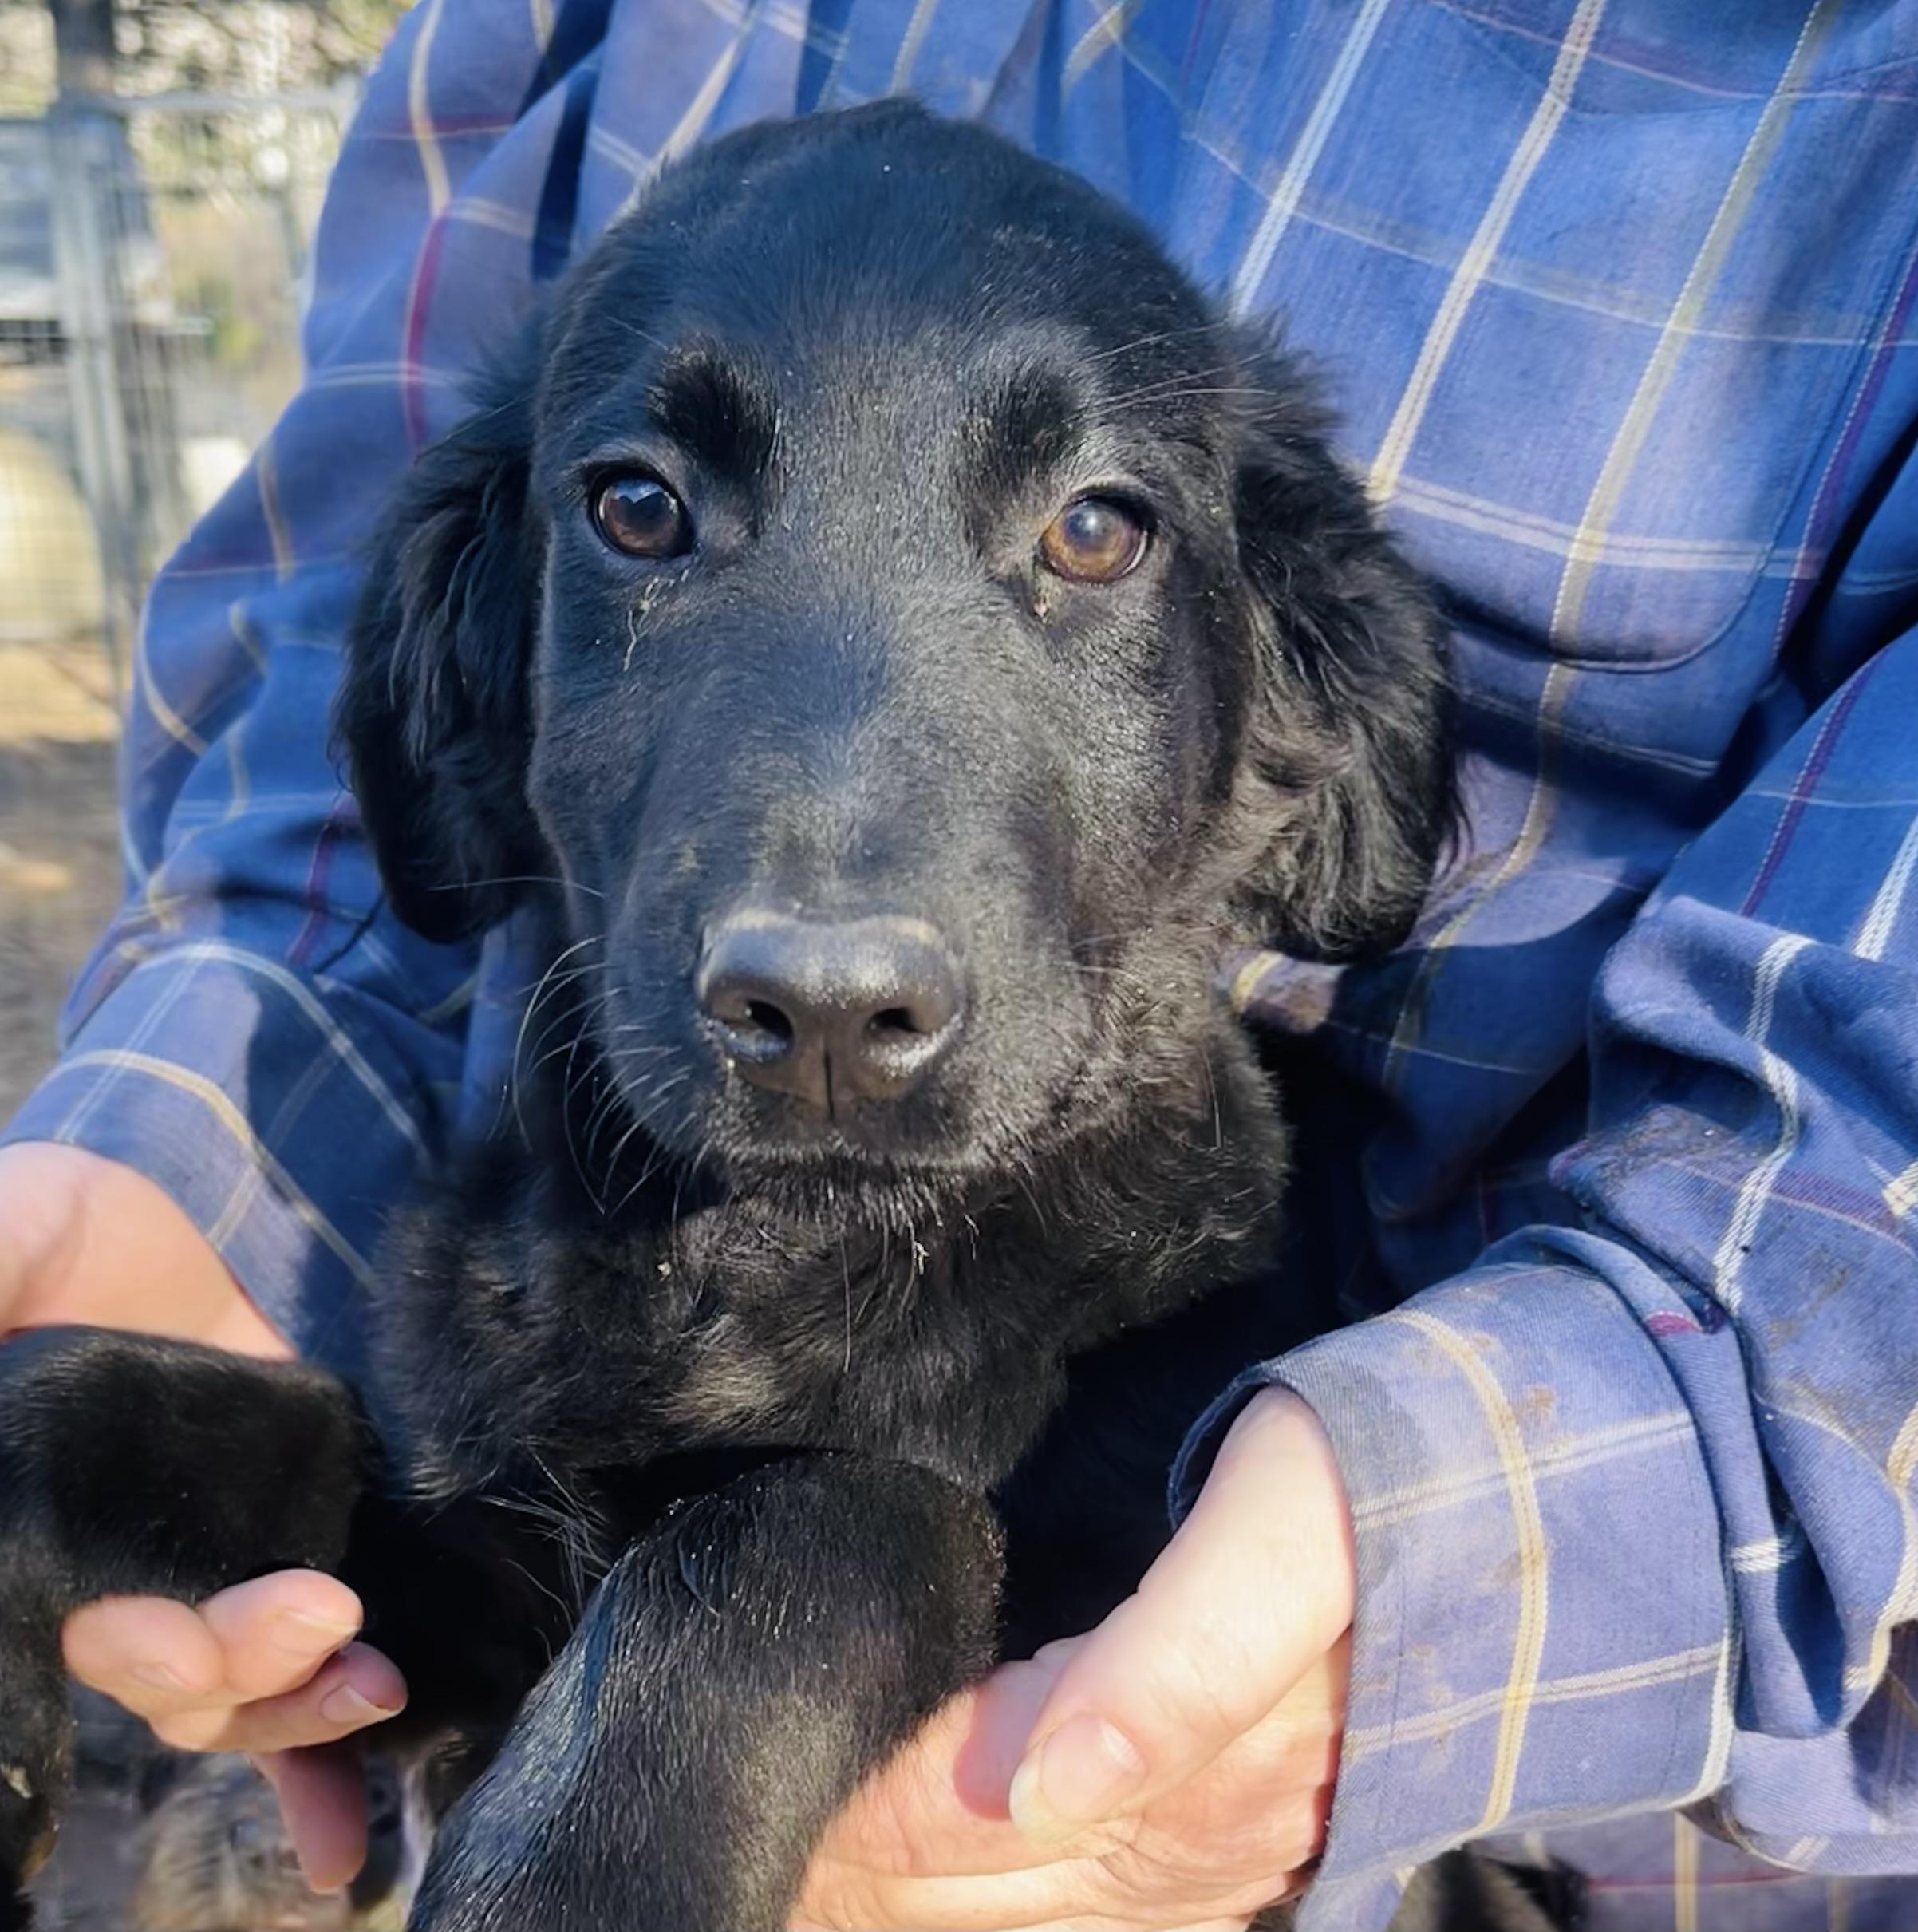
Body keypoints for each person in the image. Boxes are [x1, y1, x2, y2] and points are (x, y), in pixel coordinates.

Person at [4, 3, 1917, 1926]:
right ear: (479, 648)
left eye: (1090, 532)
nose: (827, 950)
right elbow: (368, 548)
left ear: (1300, 703)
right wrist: (199, 1134)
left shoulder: (1190, 1380)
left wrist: (1593, 1482)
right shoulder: (507, 1262)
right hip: (577, 1216)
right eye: (646, 512)